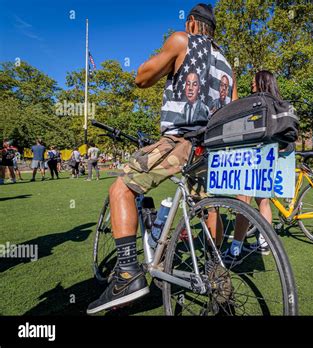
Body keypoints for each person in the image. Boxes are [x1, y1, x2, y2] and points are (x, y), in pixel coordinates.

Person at [87, 3, 237, 314]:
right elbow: (232, 109)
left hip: (180, 141)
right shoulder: (227, 65)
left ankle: (127, 273)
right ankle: (216, 273)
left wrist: (163, 60)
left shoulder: (183, 40)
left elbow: (142, 78)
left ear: (192, 23)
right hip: (213, 148)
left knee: (121, 189)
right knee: (209, 207)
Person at [224, 71, 285, 261]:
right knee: (263, 201)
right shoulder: (277, 102)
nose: (251, 85)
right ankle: (265, 243)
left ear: (261, 83)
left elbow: (236, 112)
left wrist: (233, 86)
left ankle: (235, 249)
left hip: (252, 156)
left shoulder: (256, 102)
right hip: (269, 157)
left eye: (253, 82)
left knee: (243, 201)